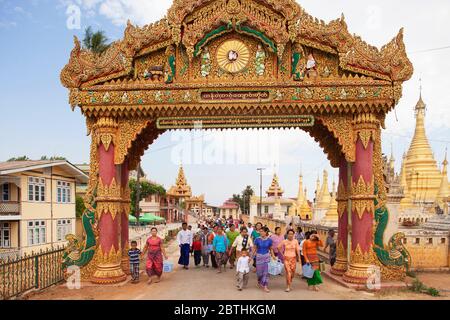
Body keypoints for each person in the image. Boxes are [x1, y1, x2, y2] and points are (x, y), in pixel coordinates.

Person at [253, 226, 276, 293]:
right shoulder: (257, 239)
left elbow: (271, 249)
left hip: (266, 257)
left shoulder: (269, 240)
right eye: (260, 231)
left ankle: (265, 285)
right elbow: (254, 248)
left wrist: (273, 255)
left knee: (266, 273)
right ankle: (259, 280)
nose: (260, 232)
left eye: (262, 231)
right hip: (259, 257)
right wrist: (251, 257)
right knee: (259, 273)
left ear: (266, 232)